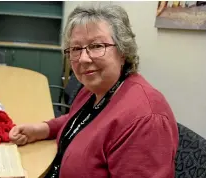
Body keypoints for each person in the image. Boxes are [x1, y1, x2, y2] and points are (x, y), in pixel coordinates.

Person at [9, 4, 179, 178]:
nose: (83, 58)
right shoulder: (95, 89)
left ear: (122, 51)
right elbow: (82, 119)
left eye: (97, 46)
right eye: (76, 49)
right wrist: (43, 129)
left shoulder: (146, 120)